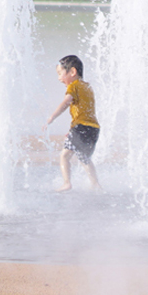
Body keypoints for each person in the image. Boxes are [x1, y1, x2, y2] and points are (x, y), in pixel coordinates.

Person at [44, 55, 101, 192]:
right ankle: (96, 184)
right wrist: (73, 130)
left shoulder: (74, 86)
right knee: (84, 157)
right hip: (93, 129)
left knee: (64, 156)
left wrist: (52, 116)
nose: (59, 78)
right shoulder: (87, 87)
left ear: (72, 72)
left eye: (60, 73)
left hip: (80, 127)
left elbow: (66, 102)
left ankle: (66, 183)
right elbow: (85, 112)